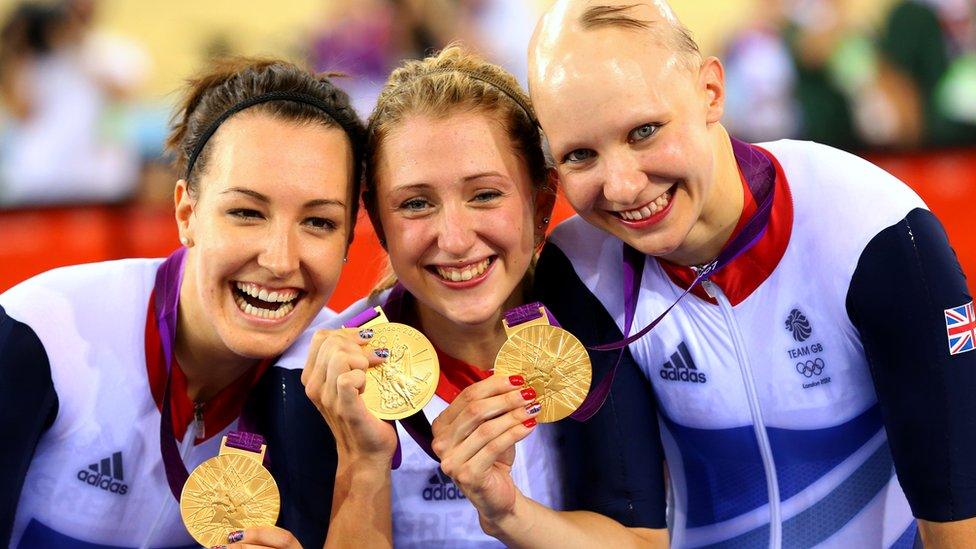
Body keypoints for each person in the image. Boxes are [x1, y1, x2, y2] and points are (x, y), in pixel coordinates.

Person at [519, 1, 975, 547]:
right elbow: (633, 534)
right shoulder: (581, 272)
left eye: (644, 131)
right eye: (579, 155)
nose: (621, 187)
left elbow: (958, 519)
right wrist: (504, 512)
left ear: (711, 91)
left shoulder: (869, 229)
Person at [283, 44, 668, 547]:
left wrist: (508, 512)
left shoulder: (598, 329)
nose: (455, 239)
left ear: (542, 202)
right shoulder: (321, 381)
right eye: (416, 204)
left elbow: (641, 542)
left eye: (485, 194)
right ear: (378, 222)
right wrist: (364, 462)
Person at [0, 57, 365, 548]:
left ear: (347, 241)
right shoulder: (45, 332)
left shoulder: (331, 382)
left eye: (319, 222)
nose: (280, 260)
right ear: (186, 213)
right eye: (246, 212)